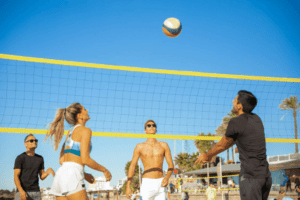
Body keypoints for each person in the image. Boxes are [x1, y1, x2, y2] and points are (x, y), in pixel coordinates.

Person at [195, 90, 272, 200]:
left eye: (235, 100)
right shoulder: (257, 119)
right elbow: (232, 142)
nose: (232, 101)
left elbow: (222, 145)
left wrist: (207, 155)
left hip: (251, 178)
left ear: (240, 105)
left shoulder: (236, 122)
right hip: (266, 177)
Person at [45, 103, 112, 200]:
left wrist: (84, 175)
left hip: (60, 177)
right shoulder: (85, 130)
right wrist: (104, 170)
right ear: (79, 115)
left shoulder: (70, 132)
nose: (87, 111)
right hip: (73, 176)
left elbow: (62, 161)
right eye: (84, 109)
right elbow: (85, 159)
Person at [126, 119, 174, 200]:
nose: (151, 127)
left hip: (161, 182)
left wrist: (166, 178)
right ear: (145, 130)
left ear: (156, 129)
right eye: (149, 125)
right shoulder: (140, 146)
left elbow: (171, 165)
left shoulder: (164, 145)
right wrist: (128, 185)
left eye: (153, 125)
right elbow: (132, 166)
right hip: (147, 182)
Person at [14, 134, 55, 200]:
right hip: (23, 192)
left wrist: (48, 171)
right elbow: (16, 176)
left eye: (36, 140)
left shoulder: (40, 158)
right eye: (31, 141)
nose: (34, 142)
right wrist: (21, 191)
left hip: (36, 193)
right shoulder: (20, 158)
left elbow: (42, 177)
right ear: (25, 144)